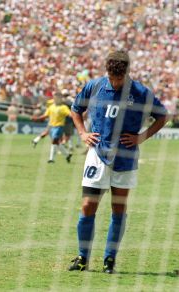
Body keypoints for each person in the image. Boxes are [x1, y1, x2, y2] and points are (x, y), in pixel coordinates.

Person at [69, 50, 168, 274]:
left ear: (126, 72)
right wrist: (83, 133)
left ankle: (109, 259)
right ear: (107, 73)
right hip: (97, 154)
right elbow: (76, 110)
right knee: (87, 206)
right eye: (112, 79)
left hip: (126, 157)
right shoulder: (94, 86)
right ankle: (82, 257)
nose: (115, 83)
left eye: (119, 79)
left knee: (118, 208)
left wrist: (142, 136)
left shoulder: (140, 92)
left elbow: (162, 116)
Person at [31, 93, 72, 163]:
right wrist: (36, 118)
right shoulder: (51, 107)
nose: (55, 99)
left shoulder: (63, 107)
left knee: (54, 141)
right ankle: (67, 154)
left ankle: (51, 159)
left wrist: (76, 117)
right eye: (54, 98)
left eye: (57, 98)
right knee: (57, 143)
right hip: (51, 126)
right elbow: (45, 115)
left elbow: (70, 114)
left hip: (59, 126)